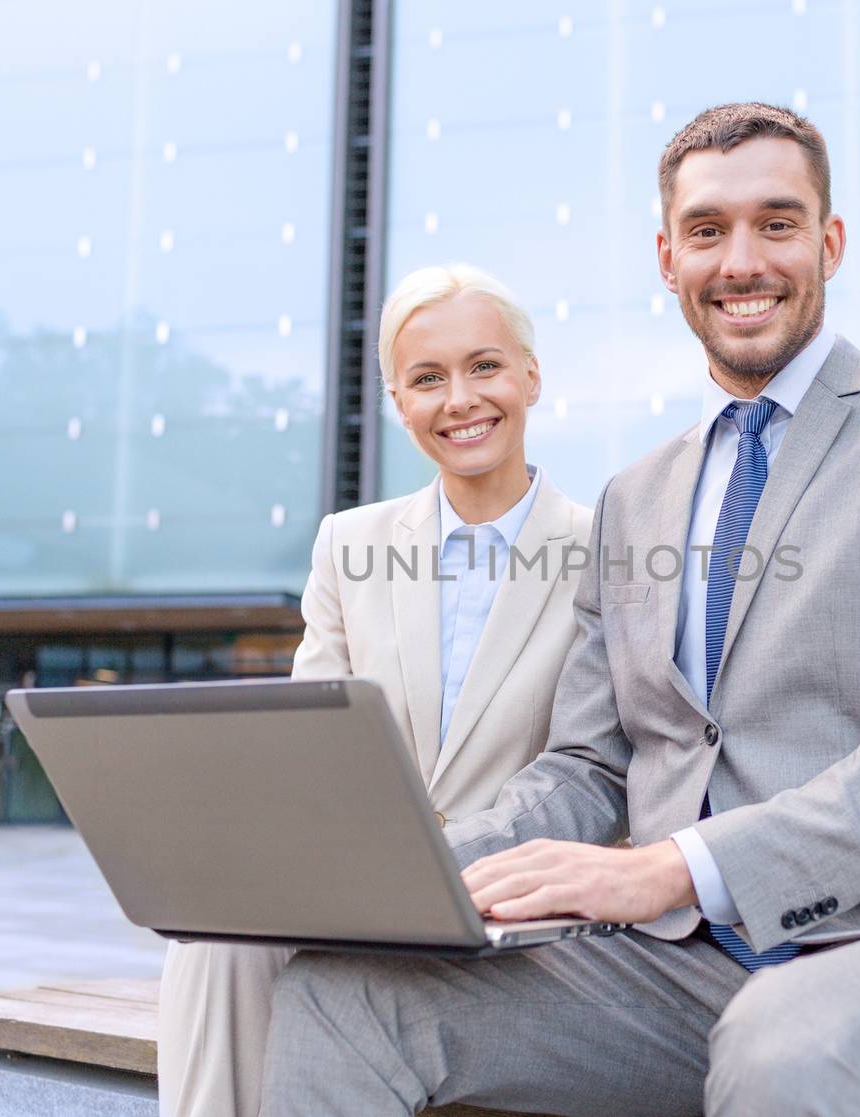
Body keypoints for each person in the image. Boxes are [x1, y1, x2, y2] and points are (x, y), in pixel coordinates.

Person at [260, 102, 860, 1117]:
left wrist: (673, 868)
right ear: (666, 256)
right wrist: (395, 869)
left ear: (830, 241)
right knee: (342, 994)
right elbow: (591, 765)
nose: (742, 260)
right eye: (706, 230)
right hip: (676, 973)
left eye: (776, 224)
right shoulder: (634, 498)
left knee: (786, 1054)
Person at [156, 264, 593, 1117]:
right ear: (400, 402)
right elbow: (311, 753)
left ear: (531, 377)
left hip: (513, 901)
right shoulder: (348, 543)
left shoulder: (610, 547)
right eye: (428, 379)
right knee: (217, 934)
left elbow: (600, 768)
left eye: (485, 367)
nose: (460, 399)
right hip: (361, 883)